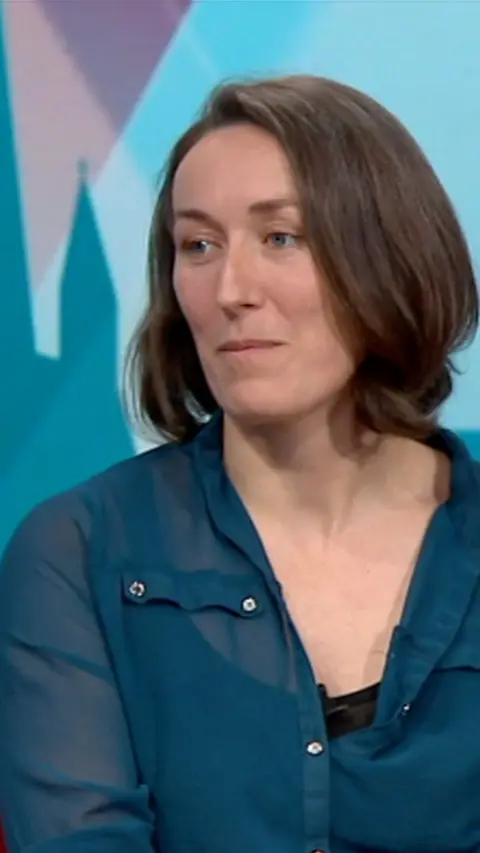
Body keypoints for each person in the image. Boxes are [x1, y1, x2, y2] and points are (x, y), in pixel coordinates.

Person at [0, 73, 479, 853]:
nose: (230, 289)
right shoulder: (78, 551)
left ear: (386, 254)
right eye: (198, 245)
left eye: (280, 237)